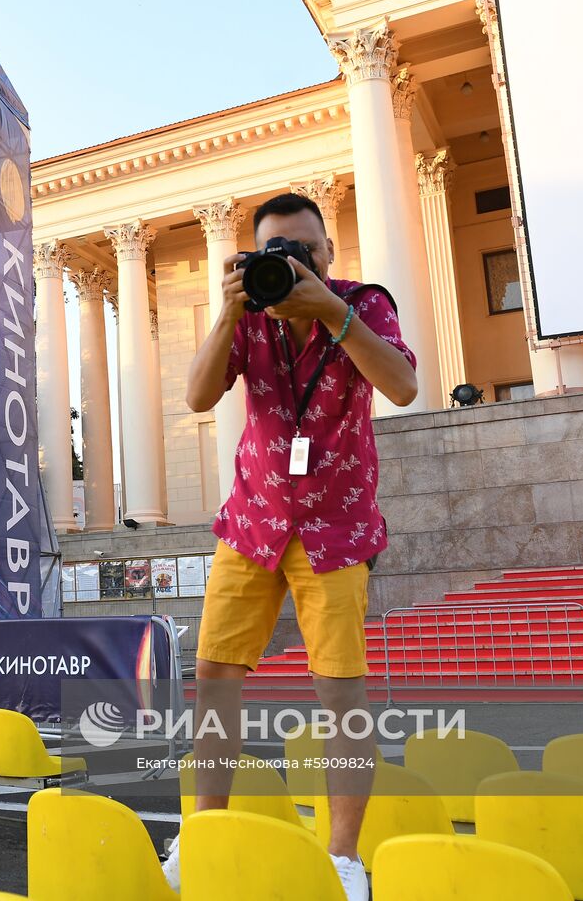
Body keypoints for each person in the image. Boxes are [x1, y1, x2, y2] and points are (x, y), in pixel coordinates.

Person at [168, 192, 418, 901]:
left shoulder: (363, 304)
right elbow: (194, 398)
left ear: (328, 253)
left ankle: (341, 856)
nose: (290, 263)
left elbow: (401, 384)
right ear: (251, 257)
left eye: (303, 251)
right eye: (275, 251)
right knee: (214, 680)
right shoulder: (245, 316)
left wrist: (329, 313)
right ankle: (203, 833)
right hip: (252, 522)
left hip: (334, 531)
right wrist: (226, 308)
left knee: (340, 694)